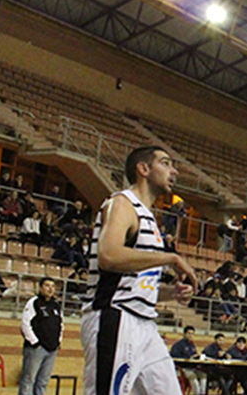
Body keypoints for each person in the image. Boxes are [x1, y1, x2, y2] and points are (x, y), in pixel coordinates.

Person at [80, 146, 197, 395]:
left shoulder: (149, 218)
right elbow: (109, 255)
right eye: (165, 163)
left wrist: (171, 292)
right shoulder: (122, 203)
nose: (173, 170)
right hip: (115, 317)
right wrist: (170, 258)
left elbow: (134, 282)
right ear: (143, 169)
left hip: (145, 323)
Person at [20, 277, 63, 395]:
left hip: (52, 349)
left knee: (43, 381)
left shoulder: (56, 306)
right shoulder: (34, 302)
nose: (50, 289)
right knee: (28, 380)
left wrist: (58, 342)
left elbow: (60, 325)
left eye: (53, 286)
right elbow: (25, 324)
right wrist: (35, 342)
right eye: (47, 286)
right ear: (40, 287)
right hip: (36, 349)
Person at [170, 326, 206, 395]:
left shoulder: (192, 345)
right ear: (184, 334)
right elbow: (175, 356)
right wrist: (187, 358)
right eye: (189, 333)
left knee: (203, 375)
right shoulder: (178, 345)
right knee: (193, 376)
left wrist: (197, 357)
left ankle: (202, 393)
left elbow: (194, 355)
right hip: (182, 368)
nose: (191, 335)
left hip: (192, 367)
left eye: (192, 334)